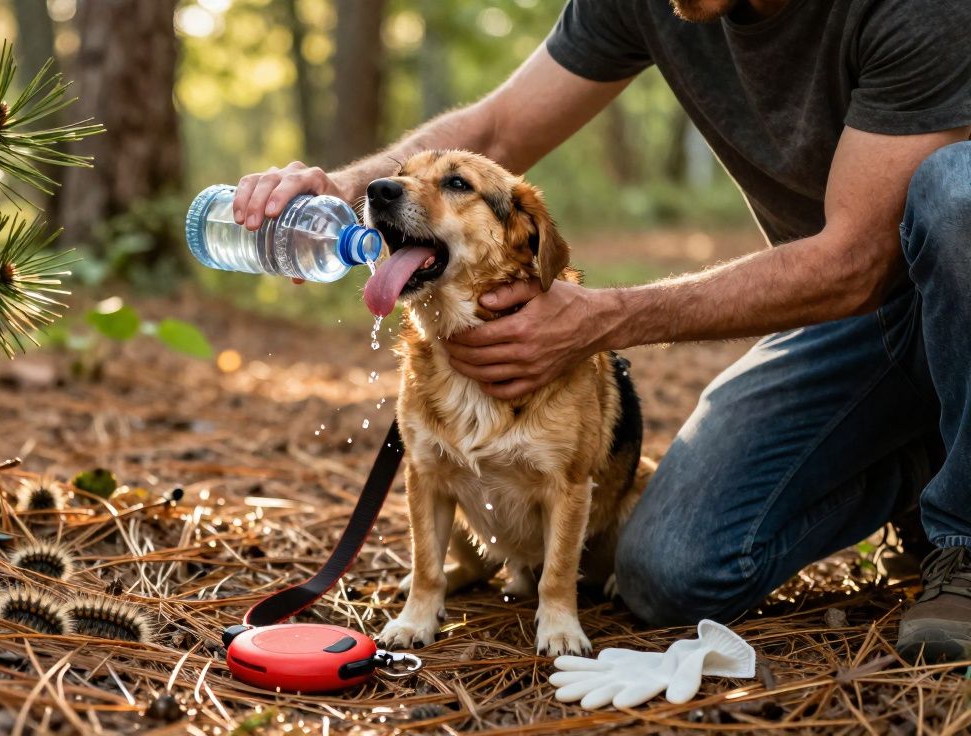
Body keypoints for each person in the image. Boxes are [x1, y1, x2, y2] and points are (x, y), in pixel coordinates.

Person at [231, 0, 971, 663]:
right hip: (851, 325)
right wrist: (344, 190)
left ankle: (965, 538)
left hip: (930, 279)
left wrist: (603, 319)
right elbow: (494, 129)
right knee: (669, 573)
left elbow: (854, 262)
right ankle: (920, 451)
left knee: (958, 191)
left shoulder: (919, 12)